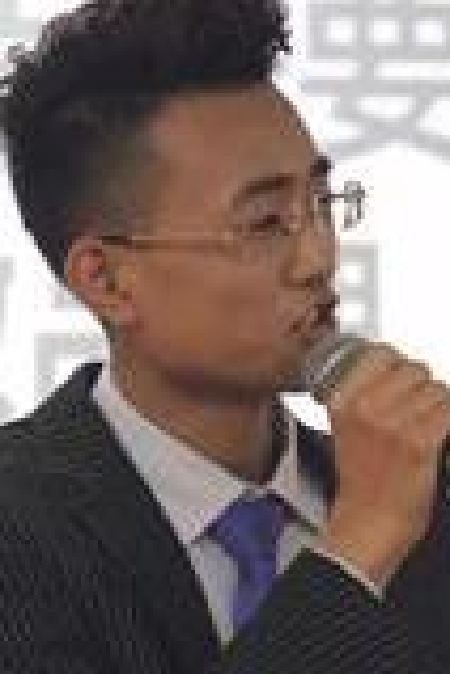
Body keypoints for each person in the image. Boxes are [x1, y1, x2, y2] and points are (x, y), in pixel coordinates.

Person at [0, 1, 449, 672]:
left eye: (320, 204)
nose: (318, 258)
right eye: (265, 223)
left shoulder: (423, 487)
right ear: (107, 279)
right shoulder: (20, 529)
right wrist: (359, 546)